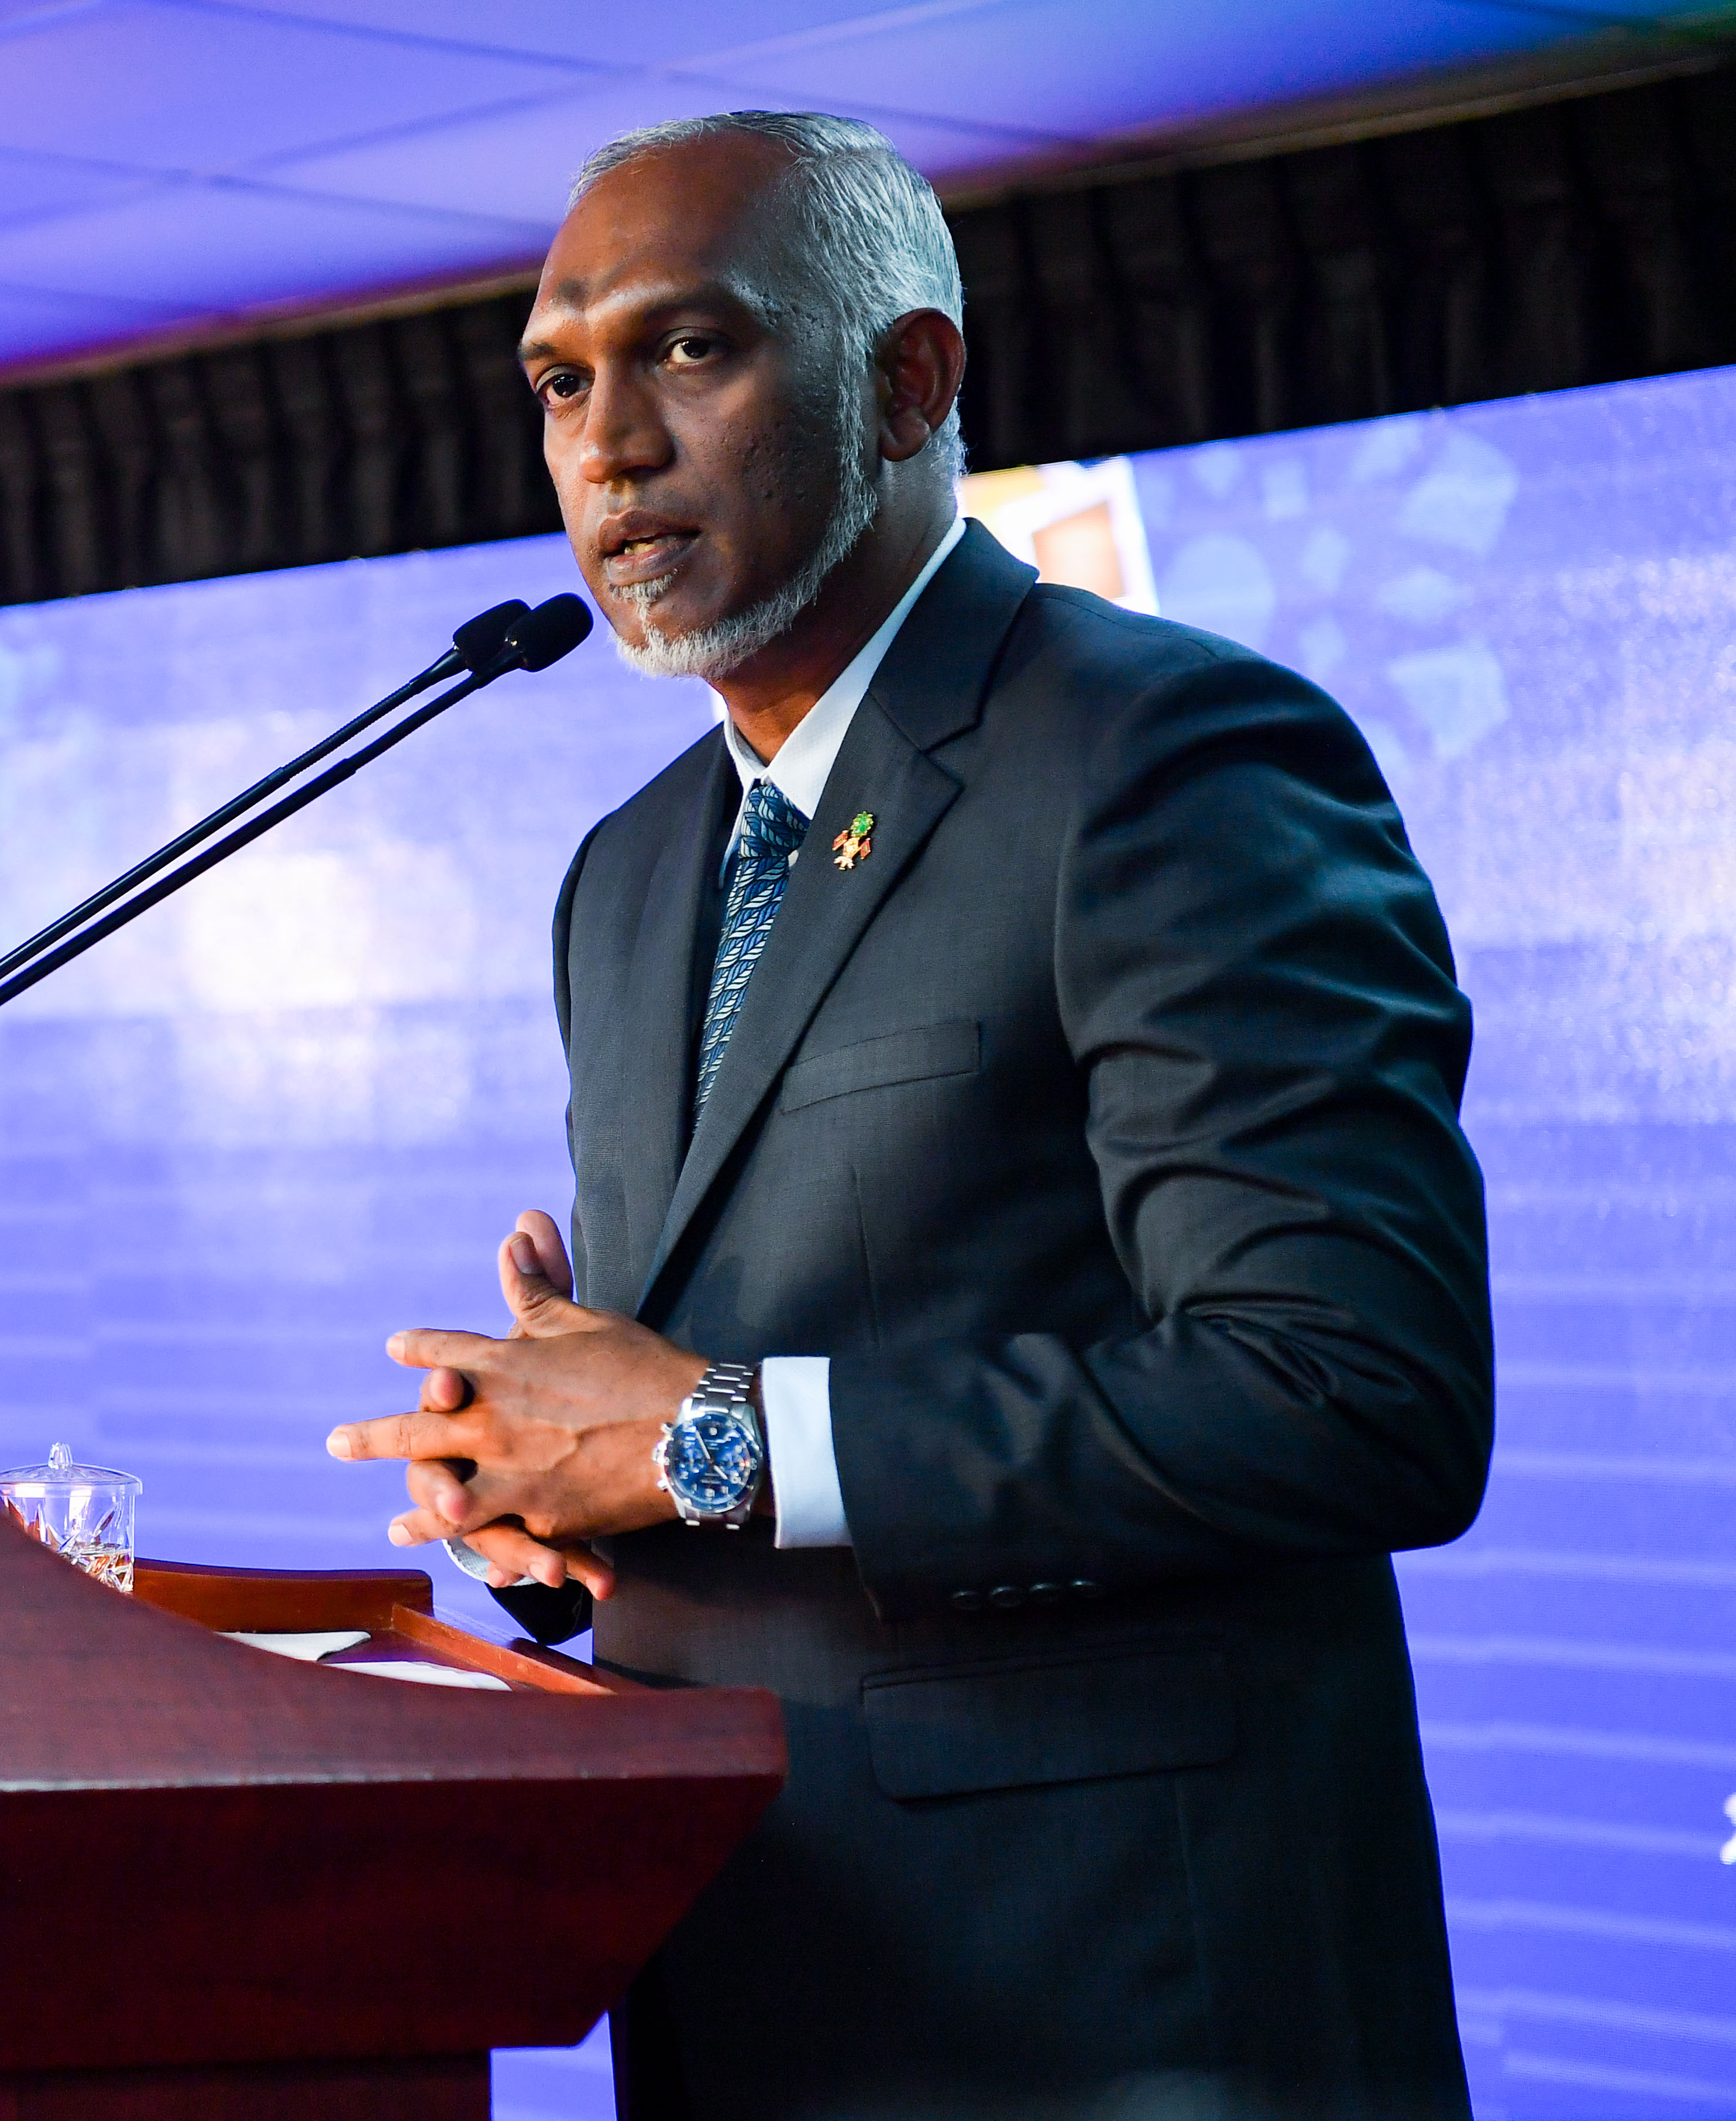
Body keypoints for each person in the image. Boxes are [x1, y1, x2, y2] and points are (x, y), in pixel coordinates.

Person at [325, 113, 1490, 2119]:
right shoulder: (629, 874)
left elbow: (1349, 1388)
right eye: (560, 382)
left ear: (910, 384)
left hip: (1118, 2017)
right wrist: (553, 1485)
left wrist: (703, 1437)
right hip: (746, 1980)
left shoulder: (1168, 757)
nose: (609, 446)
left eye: (690, 348)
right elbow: (730, 1433)